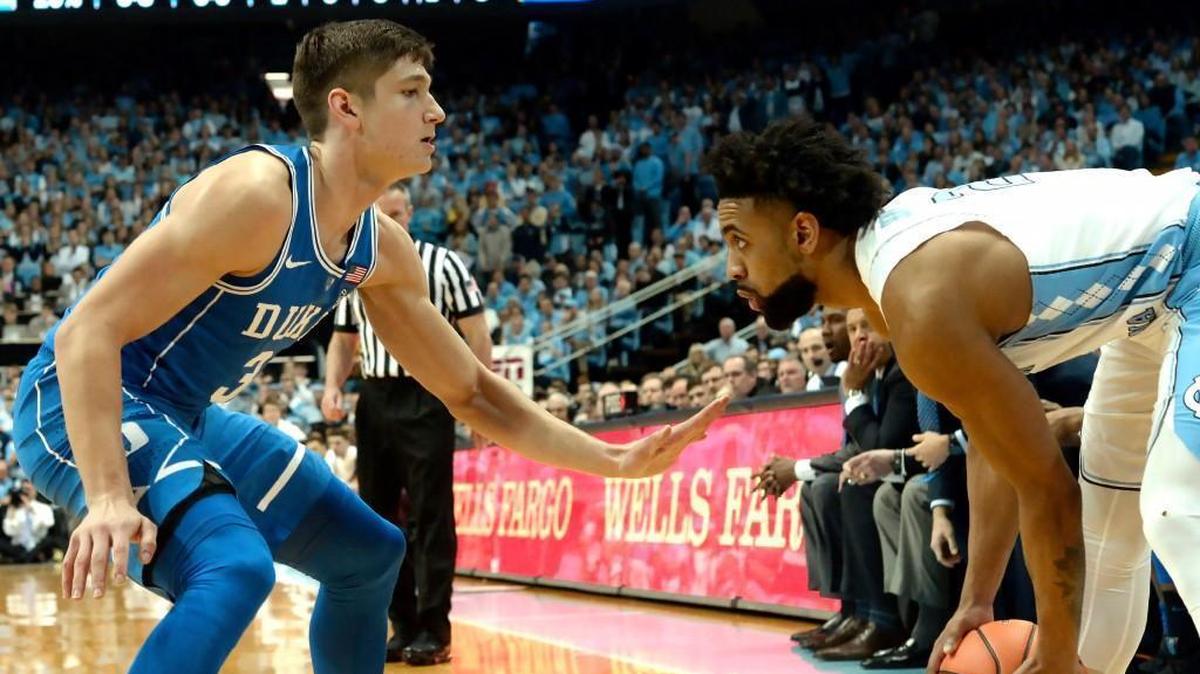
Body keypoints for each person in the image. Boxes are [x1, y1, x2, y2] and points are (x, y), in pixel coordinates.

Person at [11, 20, 727, 674]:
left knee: (372, 554)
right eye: (412, 92)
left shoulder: (381, 248)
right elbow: (84, 333)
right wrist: (107, 495)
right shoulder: (258, 194)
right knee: (235, 569)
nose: (438, 112)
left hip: (184, 413)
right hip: (78, 402)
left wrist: (611, 459)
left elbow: (473, 391)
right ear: (348, 108)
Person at [708, 115, 1200, 674]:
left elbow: (1048, 493)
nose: (732, 268)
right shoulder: (887, 274)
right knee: (1110, 536)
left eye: (739, 242)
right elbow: (998, 446)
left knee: (1177, 509)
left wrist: (1057, 660)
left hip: (1191, 260)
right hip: (1147, 310)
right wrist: (977, 598)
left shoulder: (919, 300)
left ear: (803, 233)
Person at [323, 182, 490, 665]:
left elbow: (477, 334)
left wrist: (475, 399)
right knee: (376, 516)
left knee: (431, 514)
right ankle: (402, 625)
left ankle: (435, 630)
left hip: (429, 393)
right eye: (382, 213)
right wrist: (334, 385)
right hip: (374, 396)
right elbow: (343, 339)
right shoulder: (355, 270)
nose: (391, 221)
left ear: (411, 212)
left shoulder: (445, 265)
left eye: (398, 212)